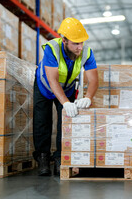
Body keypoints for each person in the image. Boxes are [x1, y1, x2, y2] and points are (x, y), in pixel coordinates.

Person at [33, 17, 99, 176]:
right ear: (64, 40)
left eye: (81, 42)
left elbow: (94, 79)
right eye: (76, 43)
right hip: (45, 86)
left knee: (66, 123)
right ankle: (43, 157)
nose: (80, 47)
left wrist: (88, 97)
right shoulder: (52, 48)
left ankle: (60, 158)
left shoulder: (87, 52)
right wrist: (65, 102)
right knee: (42, 120)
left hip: (67, 88)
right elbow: (52, 79)